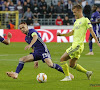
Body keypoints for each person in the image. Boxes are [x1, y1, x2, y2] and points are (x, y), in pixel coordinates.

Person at [6, 22, 74, 79]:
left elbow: (35, 37)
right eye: (20, 28)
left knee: (50, 64)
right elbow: (33, 48)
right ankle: (16, 74)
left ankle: (68, 74)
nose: (22, 29)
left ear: (27, 26)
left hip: (43, 50)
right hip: (36, 53)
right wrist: (36, 60)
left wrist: (30, 45)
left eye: (23, 27)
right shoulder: (26, 38)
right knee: (22, 59)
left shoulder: (32, 31)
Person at [57, 4, 100, 81]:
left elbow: (92, 31)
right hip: (76, 46)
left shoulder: (85, 20)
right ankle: (87, 72)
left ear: (79, 11)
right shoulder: (76, 21)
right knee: (71, 64)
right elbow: (71, 32)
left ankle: (67, 77)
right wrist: (61, 35)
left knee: (62, 59)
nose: (74, 14)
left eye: (75, 12)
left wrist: (97, 42)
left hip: (77, 46)